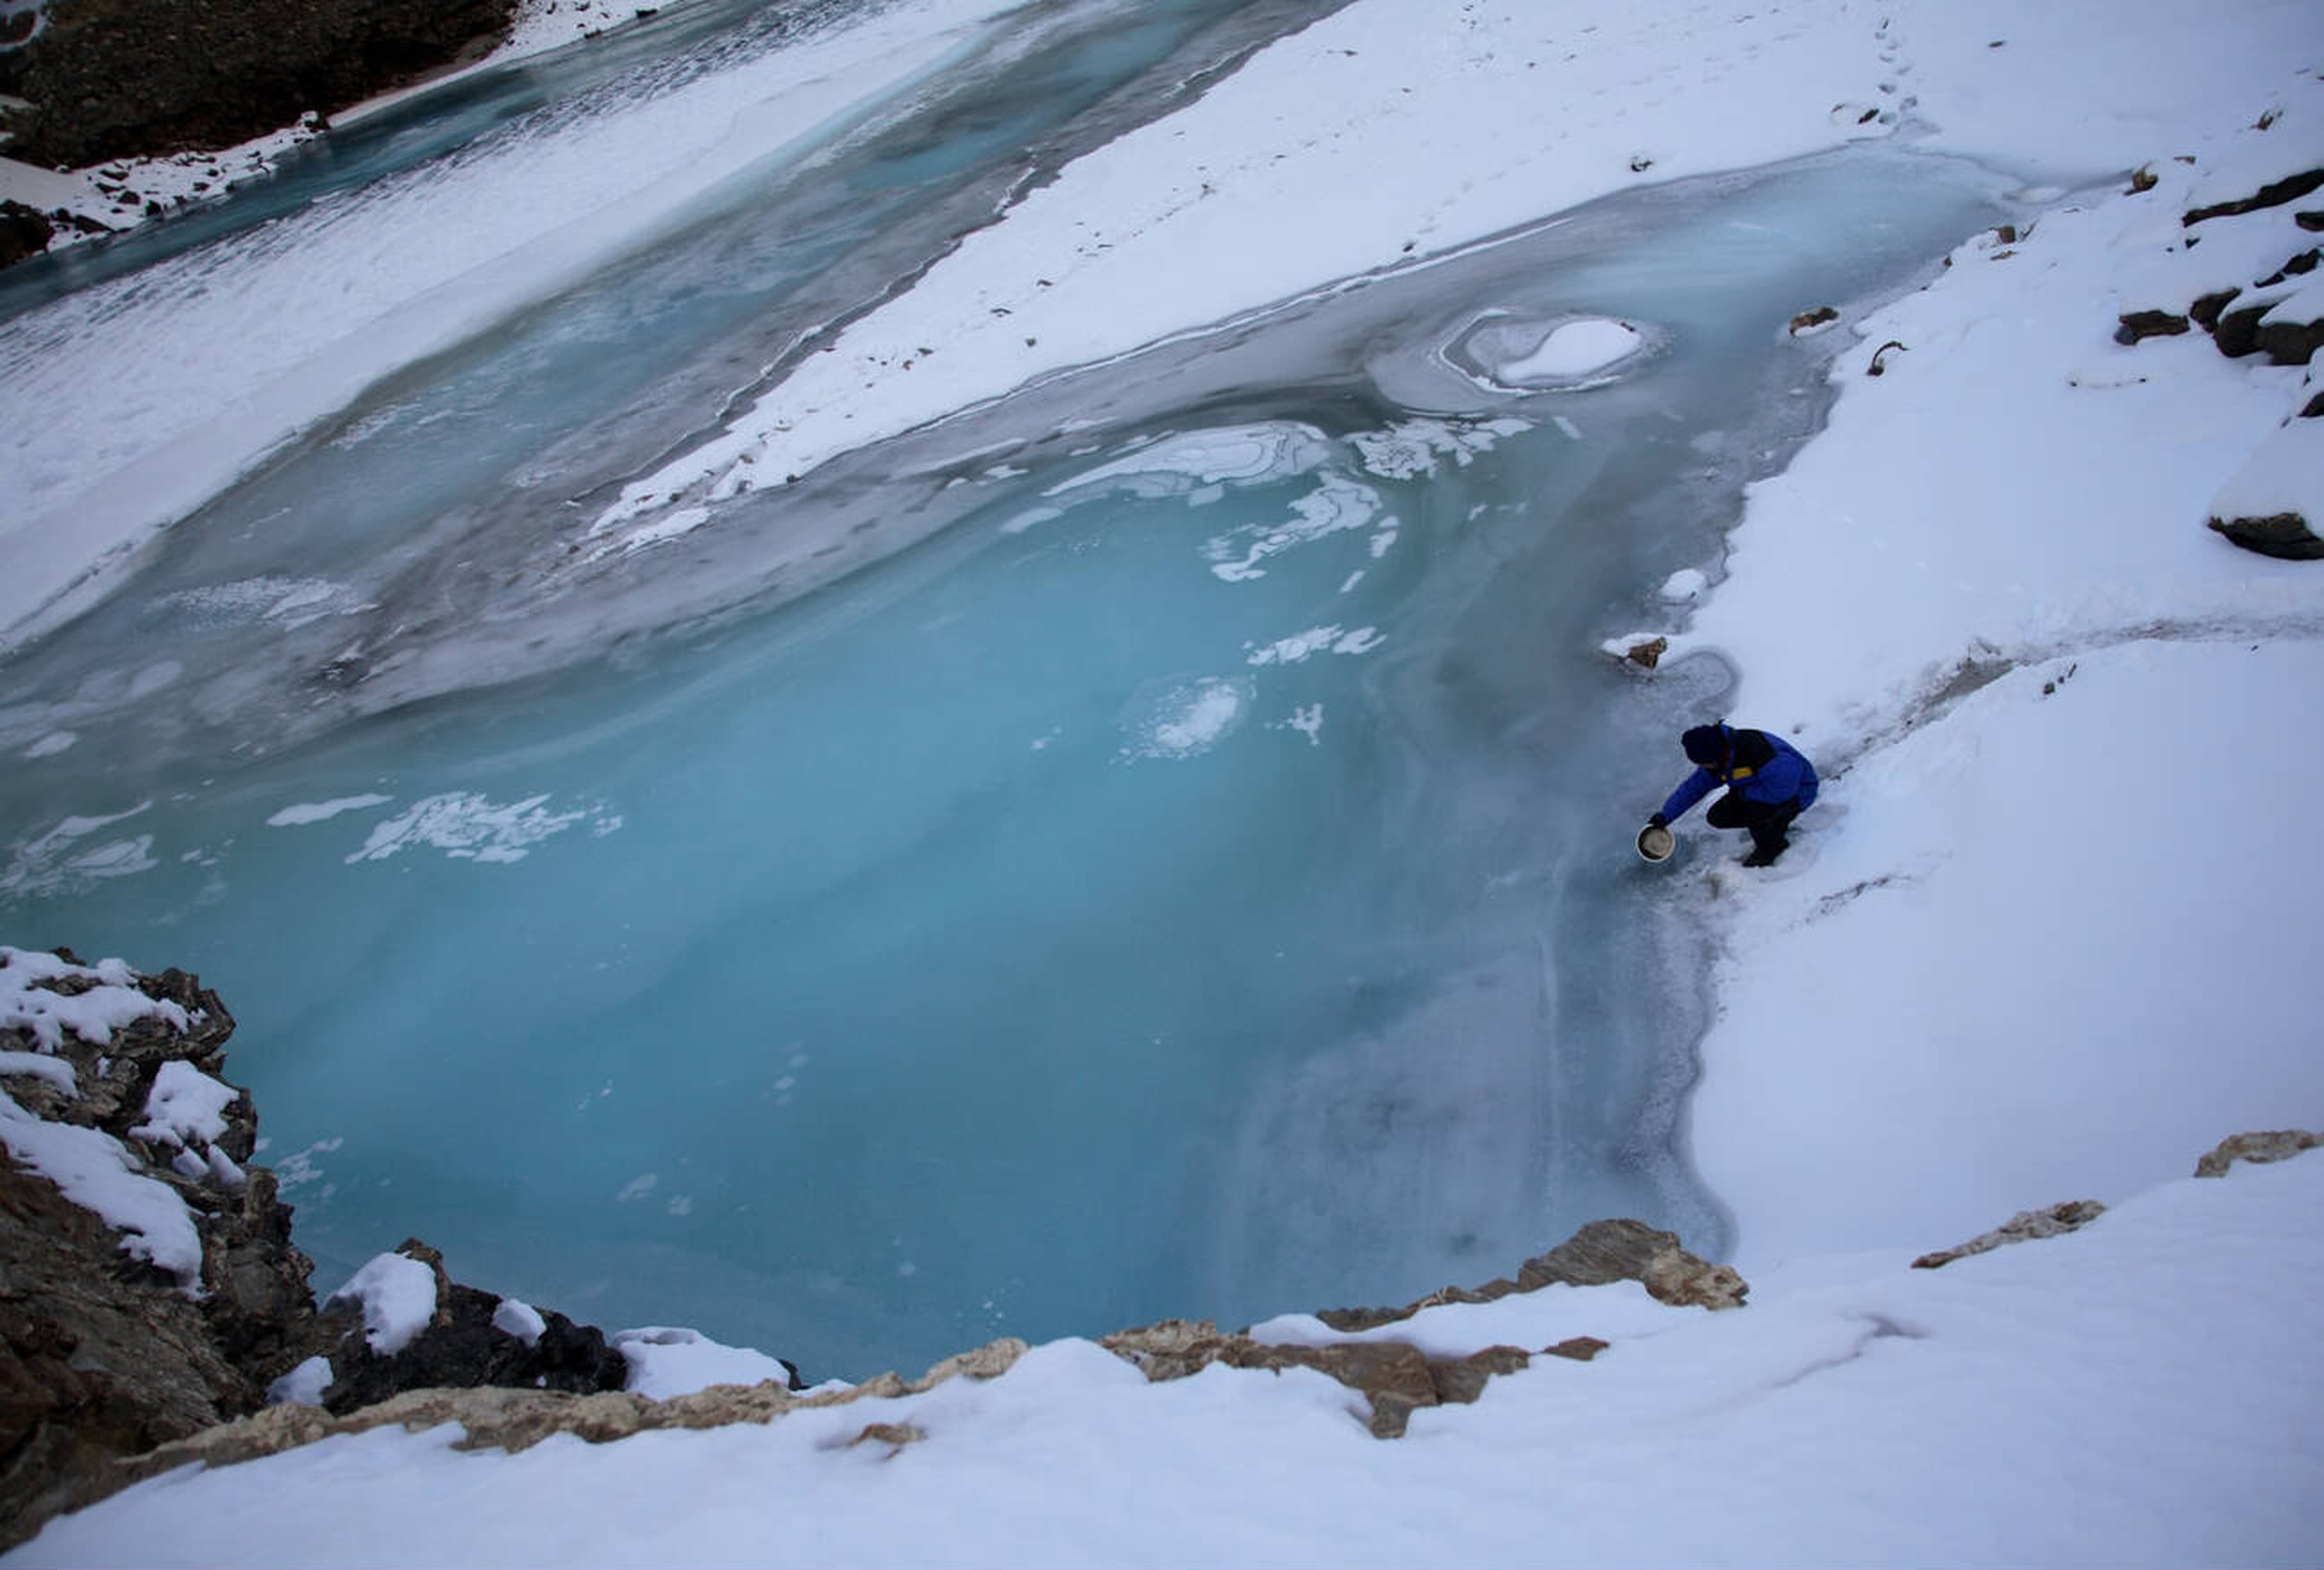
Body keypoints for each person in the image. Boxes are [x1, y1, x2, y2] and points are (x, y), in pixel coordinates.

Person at [1649, 722, 1819, 867]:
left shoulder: (1761, 754)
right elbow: (1694, 787)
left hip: (1798, 792)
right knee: (1718, 816)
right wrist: (1665, 816)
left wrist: (1746, 793)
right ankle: (1771, 823)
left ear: (1713, 757)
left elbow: (1783, 790)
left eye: (1704, 764)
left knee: (1755, 812)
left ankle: (1772, 846)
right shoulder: (1720, 757)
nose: (1703, 767)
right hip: (1758, 790)